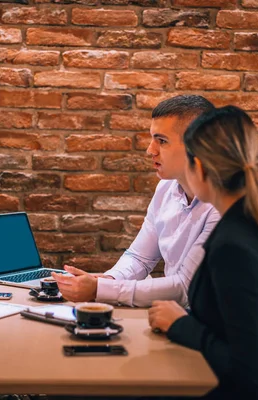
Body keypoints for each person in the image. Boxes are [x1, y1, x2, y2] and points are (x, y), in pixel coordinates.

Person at [148, 106, 258, 399]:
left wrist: (181, 325)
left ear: (199, 168)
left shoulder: (233, 247)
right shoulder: (252, 221)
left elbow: (252, 374)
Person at [53, 95, 221, 307]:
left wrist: (99, 290)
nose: (150, 150)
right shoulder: (166, 188)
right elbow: (140, 257)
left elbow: (186, 288)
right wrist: (108, 280)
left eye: (162, 141)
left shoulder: (222, 205)